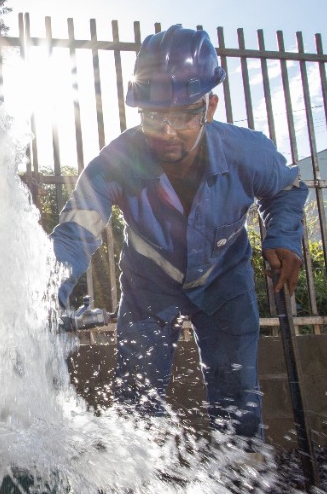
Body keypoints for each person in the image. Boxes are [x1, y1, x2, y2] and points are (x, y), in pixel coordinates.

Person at [51, 26, 307, 442]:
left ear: (210, 105)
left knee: (237, 394)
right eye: (154, 116)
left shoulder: (248, 151)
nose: (168, 132)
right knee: (136, 395)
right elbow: (75, 234)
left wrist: (282, 235)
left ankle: (243, 481)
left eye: (185, 114)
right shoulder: (112, 164)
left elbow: (288, 189)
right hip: (148, 283)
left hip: (226, 279)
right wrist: (48, 294)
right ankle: (134, 488)